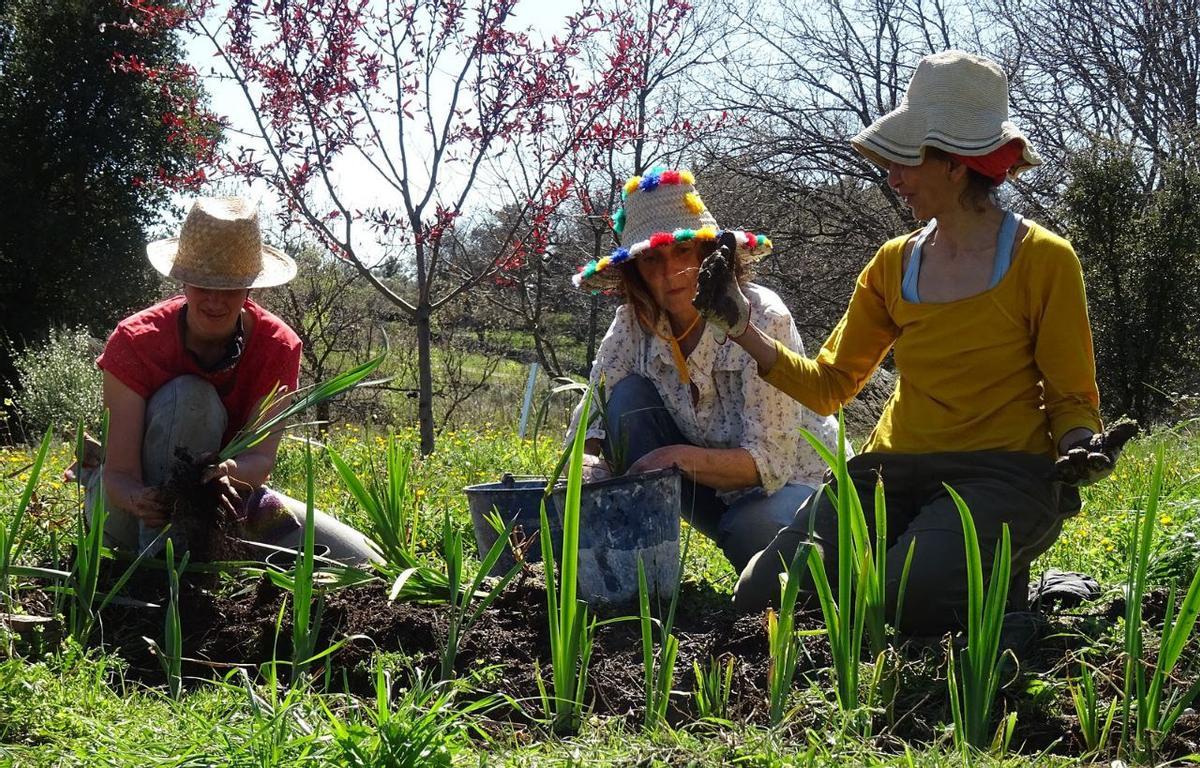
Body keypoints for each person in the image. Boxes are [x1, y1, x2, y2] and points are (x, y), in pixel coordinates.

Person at [692, 51, 1135, 632]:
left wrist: (1083, 446)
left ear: (956, 164)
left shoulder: (1044, 259)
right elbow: (829, 387)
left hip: (1002, 474)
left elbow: (1071, 397)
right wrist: (739, 325)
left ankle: (1010, 601)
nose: (893, 178)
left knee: (904, 599)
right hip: (891, 471)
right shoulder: (893, 264)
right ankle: (961, 573)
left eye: (907, 162)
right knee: (764, 593)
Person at [567, 167, 841, 572]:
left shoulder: (761, 317)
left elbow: (770, 463)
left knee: (753, 529)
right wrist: (587, 473)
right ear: (635, 272)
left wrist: (673, 459)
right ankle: (640, 562)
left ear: (708, 253)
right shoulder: (634, 322)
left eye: (682, 252)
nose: (668, 273)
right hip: (711, 489)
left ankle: (828, 562)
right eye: (652, 260)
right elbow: (594, 409)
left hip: (798, 484)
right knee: (624, 398)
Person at [75, 196, 376, 564]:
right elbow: (119, 475)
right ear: (182, 280)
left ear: (250, 287)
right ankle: (162, 573)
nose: (215, 301)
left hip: (217, 510)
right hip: (125, 511)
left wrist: (230, 473)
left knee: (358, 559)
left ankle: (198, 558)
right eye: (203, 285)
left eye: (230, 287)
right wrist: (141, 500)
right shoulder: (136, 340)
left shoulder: (277, 346)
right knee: (191, 397)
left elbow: (260, 460)